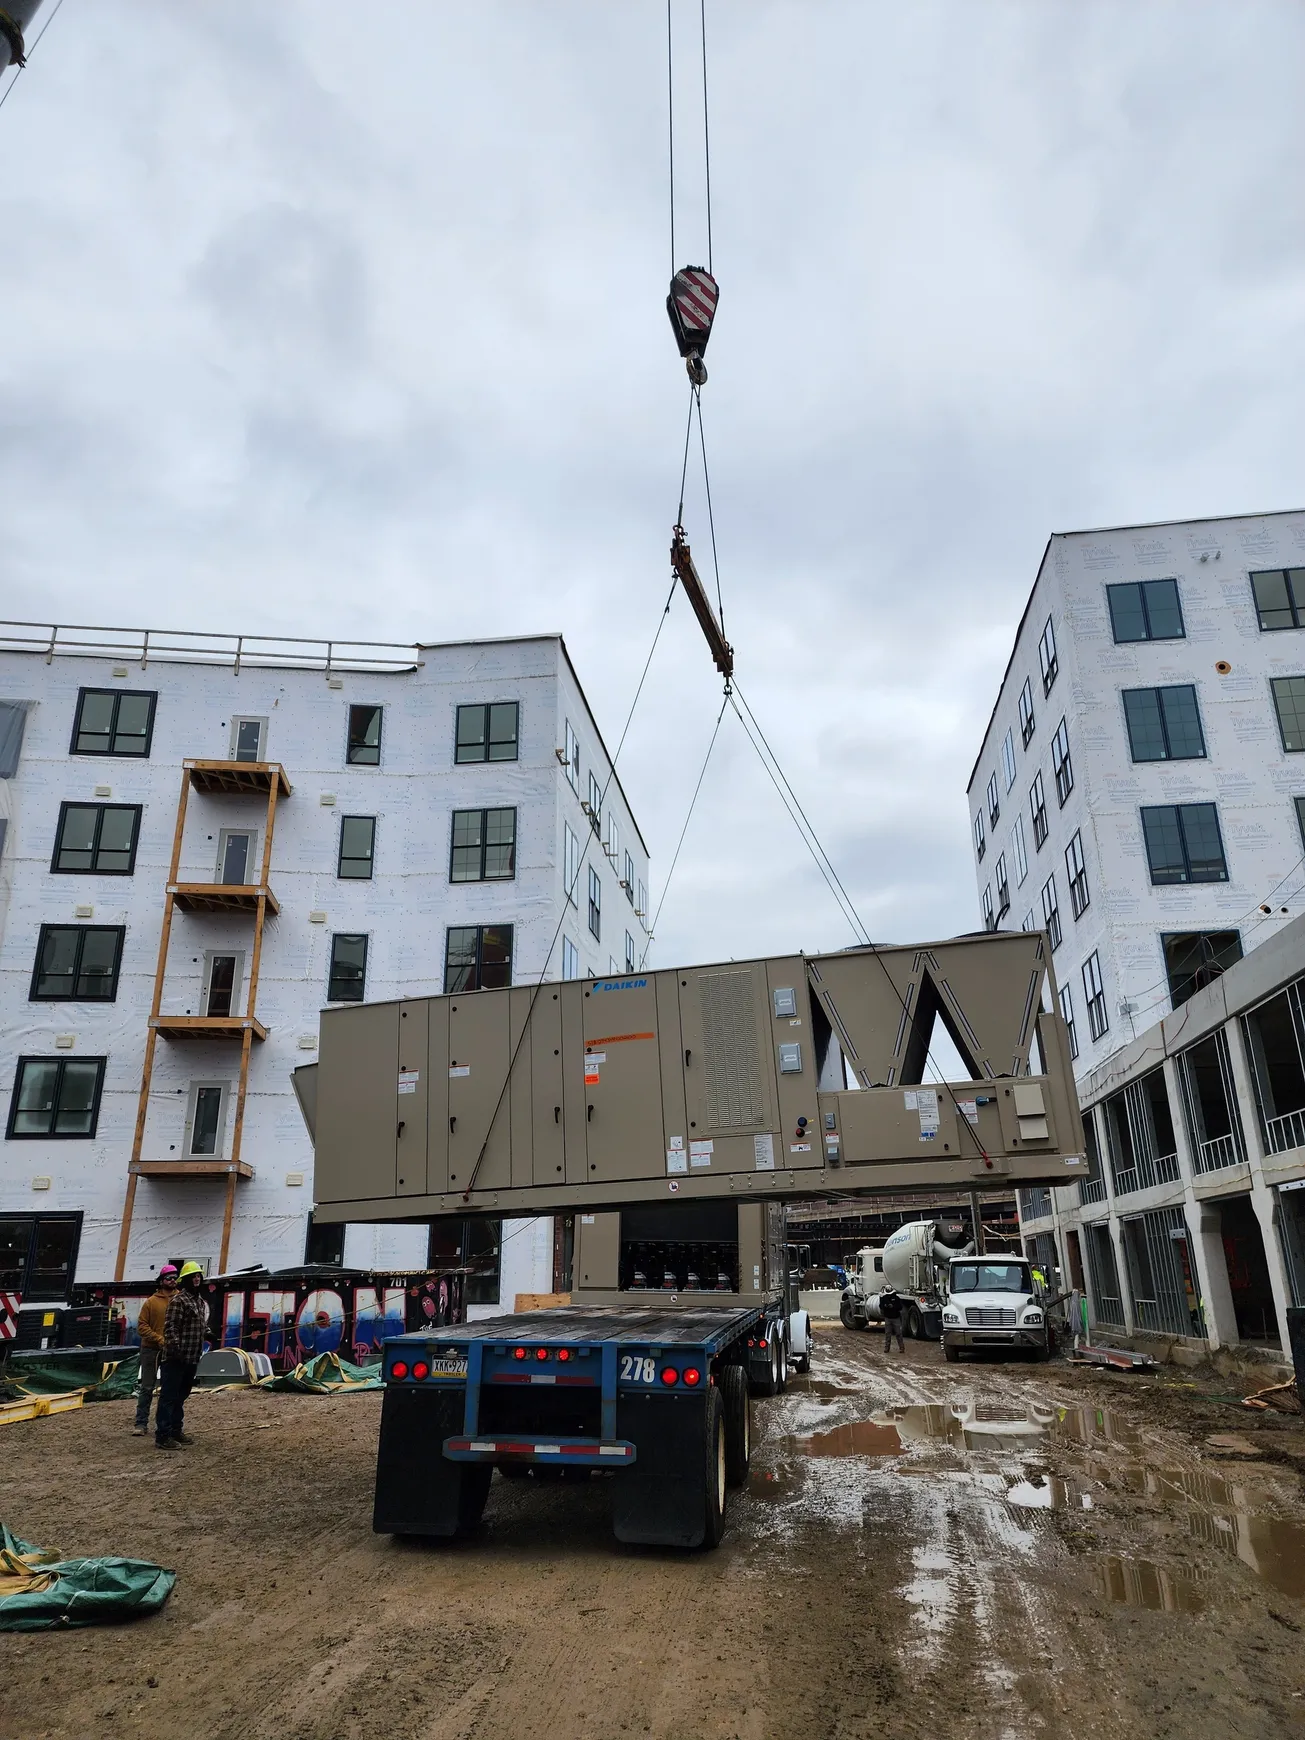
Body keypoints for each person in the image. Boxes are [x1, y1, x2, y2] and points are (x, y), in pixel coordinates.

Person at [155, 1260, 208, 1451]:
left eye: (198, 1276)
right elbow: (170, 1328)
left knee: (181, 1396)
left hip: (192, 1357)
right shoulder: (178, 1301)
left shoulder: (199, 1301)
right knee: (169, 1396)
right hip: (176, 1358)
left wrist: (207, 1332)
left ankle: (176, 1430)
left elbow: (198, 1324)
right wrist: (175, 1349)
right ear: (184, 1280)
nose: (196, 1279)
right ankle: (162, 1435)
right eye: (193, 1276)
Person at [132, 1265, 177, 1436]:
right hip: (150, 1351)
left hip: (171, 1351)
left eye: (175, 1277)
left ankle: (166, 1425)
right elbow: (142, 1327)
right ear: (161, 1281)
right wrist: (159, 1339)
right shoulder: (151, 1302)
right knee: (147, 1387)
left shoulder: (180, 1299)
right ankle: (141, 1423)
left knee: (169, 1390)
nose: (172, 1281)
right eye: (168, 1278)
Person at [879, 1284, 905, 1354]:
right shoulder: (884, 1298)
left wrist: (893, 1306)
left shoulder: (896, 1298)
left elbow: (900, 1307)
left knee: (898, 1333)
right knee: (888, 1334)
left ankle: (901, 1348)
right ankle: (887, 1348)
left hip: (895, 1318)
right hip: (888, 1318)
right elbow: (881, 1306)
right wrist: (885, 1306)